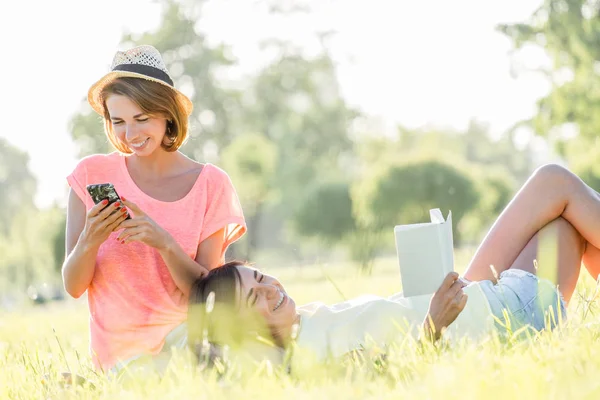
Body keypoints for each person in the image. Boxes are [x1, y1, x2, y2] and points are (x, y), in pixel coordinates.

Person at [188, 164, 600, 362]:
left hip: (469, 301)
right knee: (559, 200)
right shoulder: (305, 359)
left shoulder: (300, 323)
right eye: (254, 298)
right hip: (508, 316)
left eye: (260, 277)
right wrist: (433, 327)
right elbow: (392, 374)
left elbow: (205, 301)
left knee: (559, 199)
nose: (271, 288)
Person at [63, 45, 246, 373]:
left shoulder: (210, 184)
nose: (130, 134)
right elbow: (73, 286)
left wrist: (165, 243)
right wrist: (90, 240)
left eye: (141, 119)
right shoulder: (91, 176)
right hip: (121, 359)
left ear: (166, 114)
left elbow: (209, 293)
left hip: (189, 343)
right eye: (118, 121)